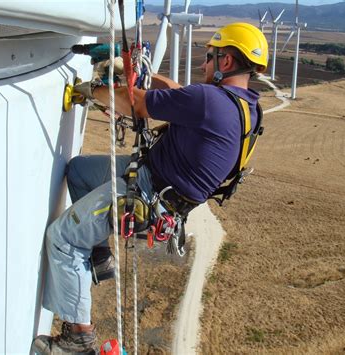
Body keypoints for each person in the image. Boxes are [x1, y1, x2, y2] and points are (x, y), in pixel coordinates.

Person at [32, 22, 268, 354]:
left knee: (63, 239)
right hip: (155, 180)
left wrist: (93, 89)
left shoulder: (208, 101)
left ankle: (77, 337)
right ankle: (99, 256)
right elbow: (176, 90)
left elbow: (137, 104)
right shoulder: (246, 107)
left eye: (209, 57)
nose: (203, 64)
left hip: (147, 191)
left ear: (226, 62)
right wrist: (136, 69)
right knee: (80, 172)